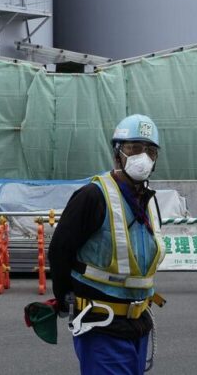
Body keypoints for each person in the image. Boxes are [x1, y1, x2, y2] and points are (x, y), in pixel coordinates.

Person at [47, 114, 166, 375]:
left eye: (150, 151)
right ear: (117, 153)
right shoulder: (93, 196)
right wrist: (65, 295)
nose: (143, 157)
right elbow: (59, 250)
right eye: (134, 148)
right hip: (102, 325)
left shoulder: (148, 200)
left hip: (138, 325)